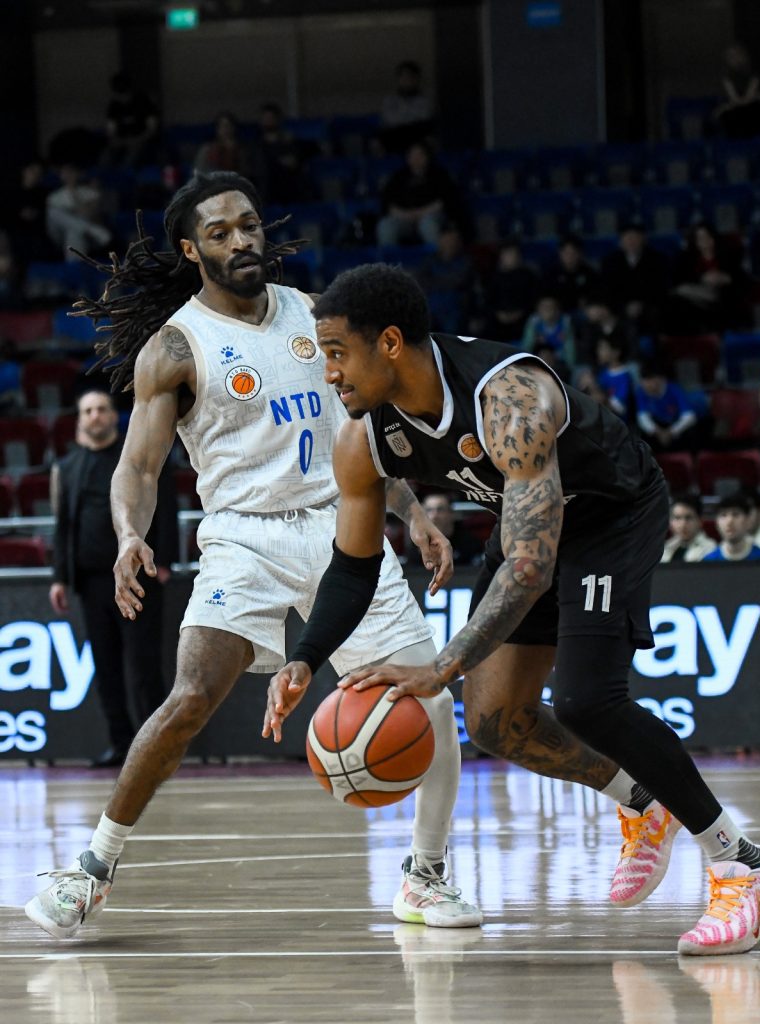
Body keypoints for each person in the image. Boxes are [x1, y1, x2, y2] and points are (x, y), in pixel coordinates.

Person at [266, 263, 760, 956]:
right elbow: (354, 565)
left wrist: (442, 666)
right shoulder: (362, 438)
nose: (328, 372)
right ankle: (643, 806)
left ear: (389, 343)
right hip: (525, 530)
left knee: (587, 700)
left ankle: (745, 867)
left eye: (336, 353)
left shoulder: (509, 396)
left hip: (609, 515)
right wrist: (305, 658)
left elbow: (529, 569)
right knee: (494, 721)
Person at [24, 171, 481, 941]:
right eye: (220, 232)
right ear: (191, 249)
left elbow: (359, 431)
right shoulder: (175, 347)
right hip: (244, 536)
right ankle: (92, 869)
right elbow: (137, 467)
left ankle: (425, 875)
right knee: (189, 699)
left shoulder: (315, 313)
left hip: (343, 524)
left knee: (429, 700)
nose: (241, 240)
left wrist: (410, 513)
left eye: (249, 225)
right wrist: (131, 534)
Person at [49, 389, 177, 767]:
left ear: (112, 416)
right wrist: (60, 577)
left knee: (144, 665)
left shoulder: (136, 457)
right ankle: (121, 744)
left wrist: (164, 559)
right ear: (79, 420)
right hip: (91, 582)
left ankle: (154, 748)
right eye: (88, 410)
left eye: (101, 409)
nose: (95, 415)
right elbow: (63, 526)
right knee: (105, 668)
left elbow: (166, 507)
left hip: (139, 576)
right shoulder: (67, 467)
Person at [376, 142, 457, 248]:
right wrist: (406, 215)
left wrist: (420, 213)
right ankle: (390, 258)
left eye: (420, 155)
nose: (416, 159)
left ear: (427, 157)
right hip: (405, 218)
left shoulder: (439, 174)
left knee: (428, 224)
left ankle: (436, 255)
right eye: (412, 155)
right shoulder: (399, 177)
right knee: (385, 225)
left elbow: (445, 201)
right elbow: (389, 204)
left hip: (431, 216)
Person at [46, 164, 112, 262]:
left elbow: (88, 214)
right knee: (53, 212)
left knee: (74, 231)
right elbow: (54, 222)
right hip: (59, 236)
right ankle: (90, 229)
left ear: (78, 174)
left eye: (71, 172)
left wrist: (73, 193)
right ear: (61, 175)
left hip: (87, 238)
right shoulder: (54, 196)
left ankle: (74, 267)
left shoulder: (90, 192)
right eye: (65, 173)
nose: (68, 175)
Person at [405, 493, 483, 569]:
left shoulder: (469, 542)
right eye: (429, 510)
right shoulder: (418, 544)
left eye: (440, 509)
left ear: (451, 513)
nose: (434, 515)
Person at [101, 71, 160, 169]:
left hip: (141, 139)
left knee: (132, 155)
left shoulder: (143, 101)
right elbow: (111, 130)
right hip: (122, 140)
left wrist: (138, 139)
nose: (122, 97)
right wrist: (117, 140)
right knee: (106, 156)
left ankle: (127, 175)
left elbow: (152, 129)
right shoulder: (114, 105)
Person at [635, 362, 698, 452]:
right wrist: (658, 432)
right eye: (643, 380)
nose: (645, 384)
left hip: (676, 426)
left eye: (649, 379)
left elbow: (689, 416)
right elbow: (642, 417)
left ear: (661, 379)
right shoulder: (641, 391)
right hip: (659, 428)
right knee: (643, 434)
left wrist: (671, 432)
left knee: (692, 432)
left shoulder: (674, 389)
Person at [702, 493, 760, 563]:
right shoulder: (708, 561)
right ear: (716, 523)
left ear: (748, 521)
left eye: (735, 514)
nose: (729, 521)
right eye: (723, 515)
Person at [661, 493, 717, 563]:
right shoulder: (665, 547)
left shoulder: (710, 548)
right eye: (677, 518)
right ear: (670, 522)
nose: (683, 524)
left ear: (700, 521)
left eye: (688, 518)